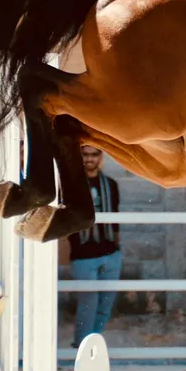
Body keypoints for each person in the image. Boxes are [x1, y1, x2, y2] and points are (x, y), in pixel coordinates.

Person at [67, 145, 123, 348]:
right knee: (88, 303)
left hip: (110, 254)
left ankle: (93, 344)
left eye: (94, 154)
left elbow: (115, 221)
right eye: (85, 154)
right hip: (83, 255)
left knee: (105, 304)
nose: (90, 158)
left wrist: (117, 248)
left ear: (101, 157)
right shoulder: (69, 185)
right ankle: (81, 345)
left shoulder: (111, 184)